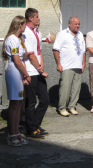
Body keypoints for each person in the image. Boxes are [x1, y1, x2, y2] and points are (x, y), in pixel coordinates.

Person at [2, 15, 31, 146]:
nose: (25, 27)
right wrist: (27, 74)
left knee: (19, 103)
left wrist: (24, 75)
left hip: (19, 72)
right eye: (24, 24)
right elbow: (17, 60)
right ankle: (12, 133)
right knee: (14, 104)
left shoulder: (18, 40)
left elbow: (21, 59)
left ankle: (16, 132)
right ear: (20, 25)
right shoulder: (12, 39)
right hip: (14, 72)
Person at [23, 8, 50, 139]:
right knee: (31, 102)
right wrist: (38, 68)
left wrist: (42, 67)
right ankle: (30, 129)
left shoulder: (37, 32)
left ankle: (35, 125)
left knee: (45, 100)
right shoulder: (26, 32)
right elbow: (30, 53)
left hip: (38, 71)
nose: (39, 18)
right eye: (37, 17)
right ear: (31, 18)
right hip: (30, 71)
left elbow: (39, 51)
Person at [53, 16, 86, 117]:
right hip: (66, 66)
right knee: (65, 88)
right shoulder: (62, 34)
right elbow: (55, 49)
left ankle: (72, 106)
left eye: (79, 24)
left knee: (76, 88)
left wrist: (83, 63)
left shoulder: (80, 35)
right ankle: (62, 108)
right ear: (69, 24)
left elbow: (84, 51)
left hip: (78, 66)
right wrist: (58, 63)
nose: (77, 26)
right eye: (75, 24)